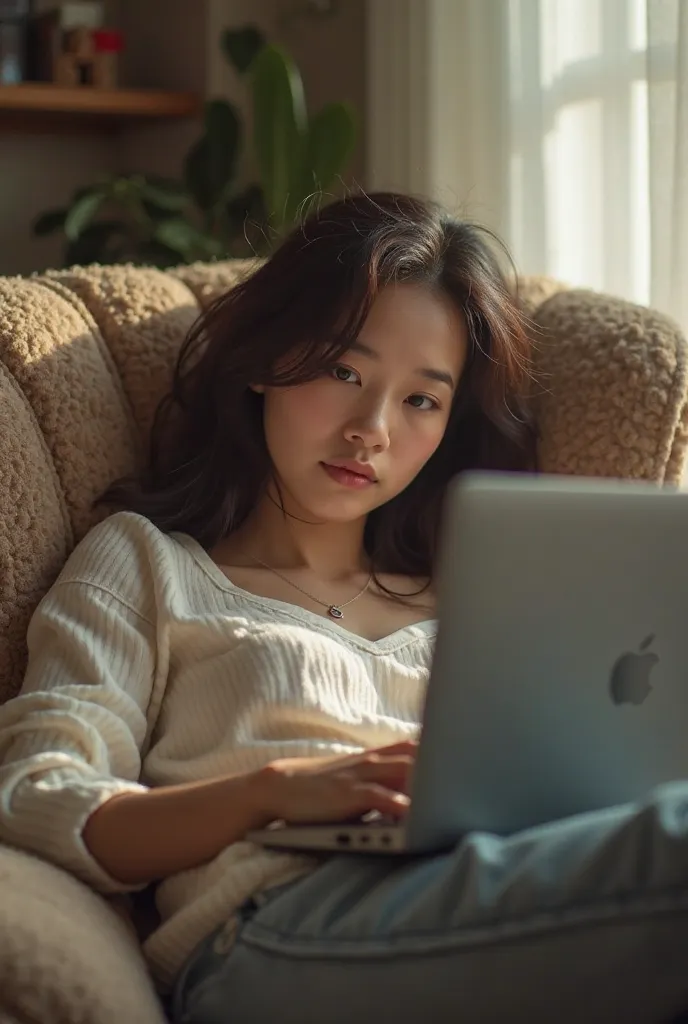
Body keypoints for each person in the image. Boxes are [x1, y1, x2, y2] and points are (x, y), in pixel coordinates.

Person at [1, 193, 687, 1024]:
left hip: (502, 900)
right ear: (266, 359)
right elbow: (38, 798)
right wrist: (274, 791)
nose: (372, 429)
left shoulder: (490, 587)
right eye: (344, 372)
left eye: (420, 400)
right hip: (278, 931)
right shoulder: (149, 561)